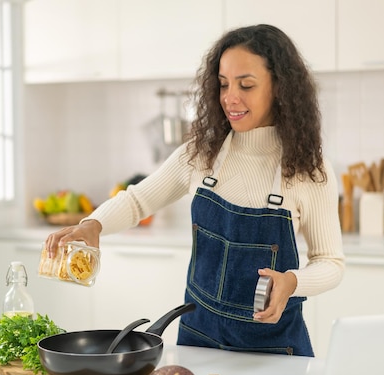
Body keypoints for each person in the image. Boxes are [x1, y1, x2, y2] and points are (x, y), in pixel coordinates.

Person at [45, 24, 344, 357]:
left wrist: (293, 282)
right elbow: (138, 200)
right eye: (223, 84)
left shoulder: (308, 170)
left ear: (280, 88)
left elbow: (330, 263)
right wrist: (93, 224)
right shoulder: (201, 154)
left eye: (246, 85)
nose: (231, 97)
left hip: (274, 348)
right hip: (199, 340)